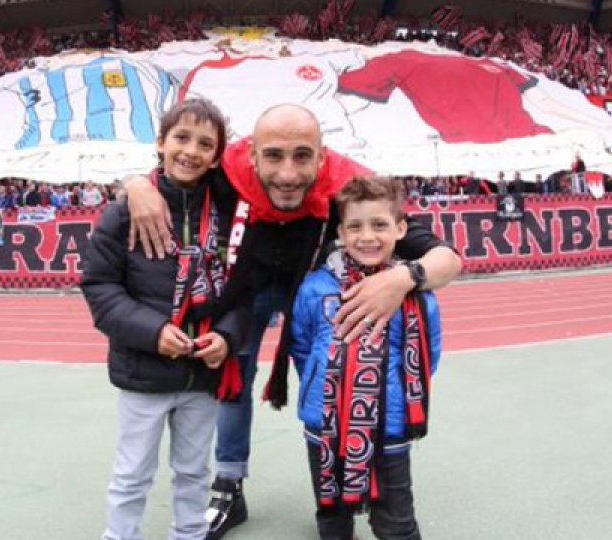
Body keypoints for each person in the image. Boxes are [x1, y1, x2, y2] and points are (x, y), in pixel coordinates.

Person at [124, 103, 462, 539]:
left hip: (314, 283)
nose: (286, 174)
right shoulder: (226, 167)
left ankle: (347, 471)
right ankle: (229, 484)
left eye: (302, 156)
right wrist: (136, 184)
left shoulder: (349, 181)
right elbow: (175, 171)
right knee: (231, 372)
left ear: (323, 158)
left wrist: (402, 277)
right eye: (274, 157)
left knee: (332, 377)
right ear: (251, 157)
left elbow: (446, 257)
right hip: (250, 281)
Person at [81, 98, 250, 540]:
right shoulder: (124, 211)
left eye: (205, 143)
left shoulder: (232, 213)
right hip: (145, 372)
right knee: (132, 474)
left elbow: (244, 288)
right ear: (160, 142)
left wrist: (228, 338)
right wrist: (153, 332)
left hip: (202, 375)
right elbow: (100, 287)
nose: (191, 151)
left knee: (194, 474)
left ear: (217, 155)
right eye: (181, 137)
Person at [290, 176, 441, 540]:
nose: (367, 236)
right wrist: (320, 384)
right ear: (340, 230)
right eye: (355, 226)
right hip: (325, 424)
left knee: (396, 522)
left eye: (379, 225)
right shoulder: (315, 288)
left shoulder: (414, 293)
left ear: (400, 228)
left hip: (390, 426)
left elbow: (427, 355)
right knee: (332, 516)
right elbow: (301, 345)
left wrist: (393, 395)